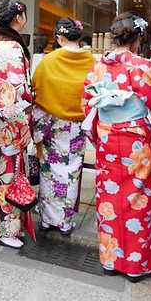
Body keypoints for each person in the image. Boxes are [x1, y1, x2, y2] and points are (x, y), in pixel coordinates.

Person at [81, 13, 151, 281]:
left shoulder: (98, 66)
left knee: (109, 196)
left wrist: (100, 134)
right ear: (137, 39)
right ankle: (136, 264)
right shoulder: (141, 66)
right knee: (137, 196)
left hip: (108, 136)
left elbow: (87, 102)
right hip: (135, 140)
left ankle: (111, 260)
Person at [31, 18, 96, 236]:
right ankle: (65, 222)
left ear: (59, 37)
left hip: (53, 124)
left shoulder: (50, 60)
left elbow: (36, 88)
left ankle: (48, 219)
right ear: (79, 36)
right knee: (72, 171)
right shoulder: (91, 61)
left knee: (50, 171)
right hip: (77, 125)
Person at [0, 0, 34, 249]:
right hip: (9, 124)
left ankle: (11, 225)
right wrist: (23, 125)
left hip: (0, 121)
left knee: (8, 172)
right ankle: (6, 230)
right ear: (18, 17)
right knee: (9, 174)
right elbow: (12, 93)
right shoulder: (11, 48)